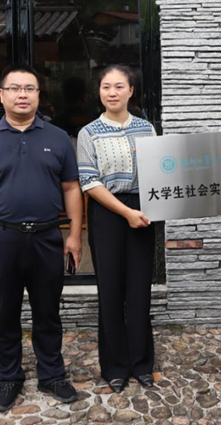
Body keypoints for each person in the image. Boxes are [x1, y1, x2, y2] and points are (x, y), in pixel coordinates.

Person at [0, 64, 83, 412]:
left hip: (47, 236)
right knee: (5, 314)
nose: (22, 95)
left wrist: (75, 235)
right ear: (1, 95)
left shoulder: (57, 137)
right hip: (2, 238)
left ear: (38, 95)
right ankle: (9, 377)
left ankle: (52, 375)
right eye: (15, 88)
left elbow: (71, 188)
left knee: (48, 312)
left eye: (29, 88)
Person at [76, 65, 157, 393]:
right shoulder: (89, 133)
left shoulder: (146, 128)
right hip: (107, 212)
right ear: (99, 92)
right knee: (110, 290)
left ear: (130, 91)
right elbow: (88, 181)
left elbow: (158, 171)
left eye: (119, 86)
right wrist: (125, 212)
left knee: (140, 289)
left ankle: (142, 363)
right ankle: (115, 366)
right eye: (106, 87)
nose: (112, 92)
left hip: (143, 210)